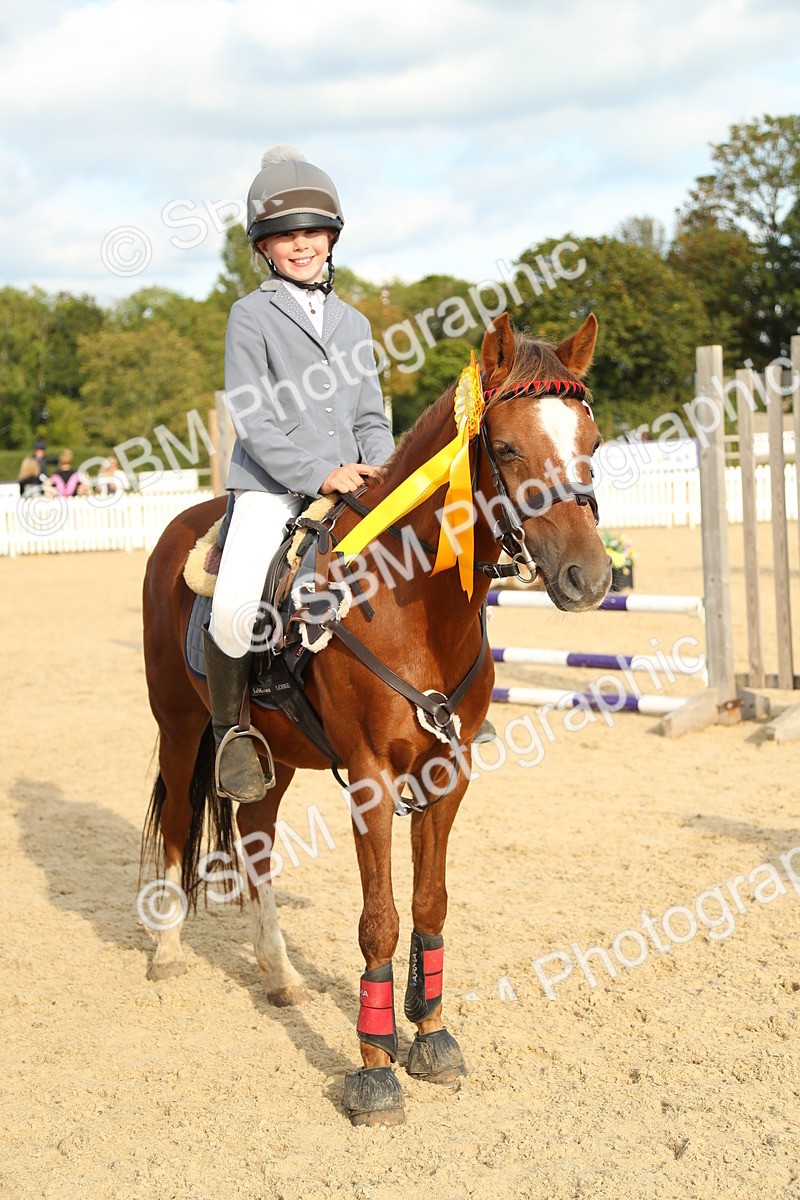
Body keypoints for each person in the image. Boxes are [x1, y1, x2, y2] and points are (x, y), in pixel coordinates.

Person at [206, 145, 395, 803]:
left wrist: (380, 466)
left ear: (331, 237)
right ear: (264, 246)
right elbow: (254, 421)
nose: (301, 244)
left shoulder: (355, 323)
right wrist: (323, 473)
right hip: (270, 487)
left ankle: (430, 704)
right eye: (286, 235)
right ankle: (231, 735)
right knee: (233, 609)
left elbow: (371, 414)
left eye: (312, 232)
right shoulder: (250, 316)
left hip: (353, 482)